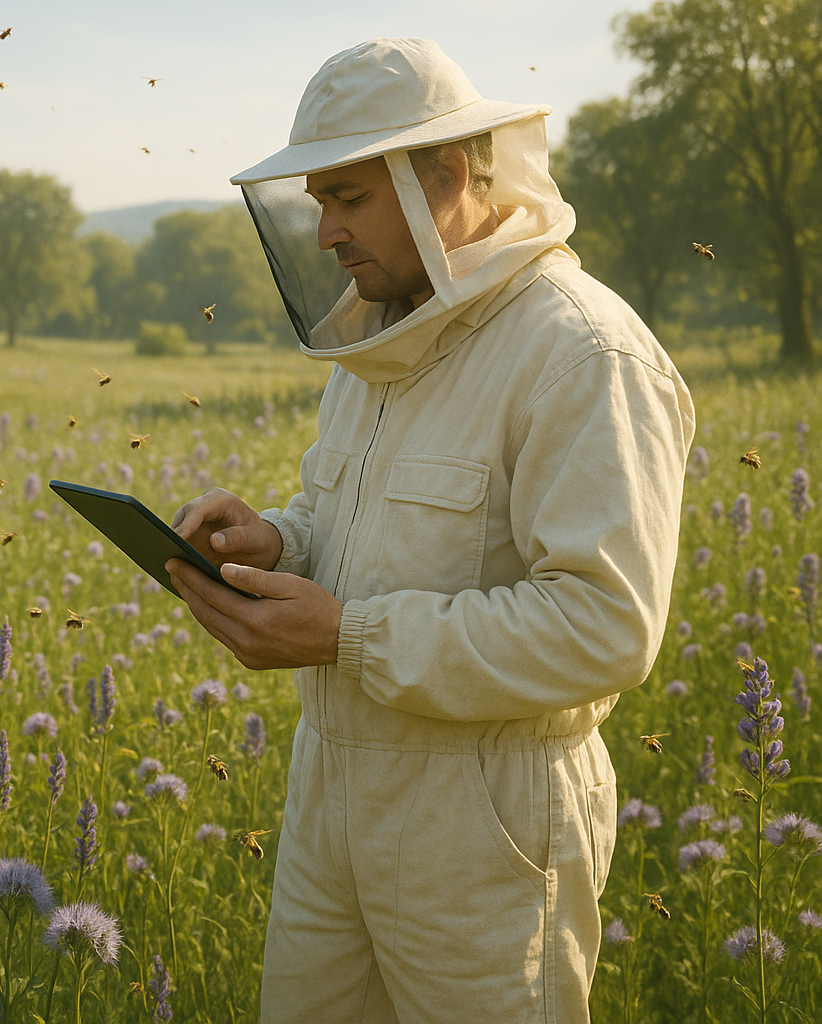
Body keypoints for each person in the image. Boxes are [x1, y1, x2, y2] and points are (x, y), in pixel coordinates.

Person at [164, 38, 695, 1023]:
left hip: (488, 825)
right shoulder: (380, 338)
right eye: (318, 201)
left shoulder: (580, 353)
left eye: (349, 199)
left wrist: (348, 636)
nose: (324, 232)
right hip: (330, 793)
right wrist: (277, 540)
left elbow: (604, 626)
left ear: (446, 175)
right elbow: (343, 518)